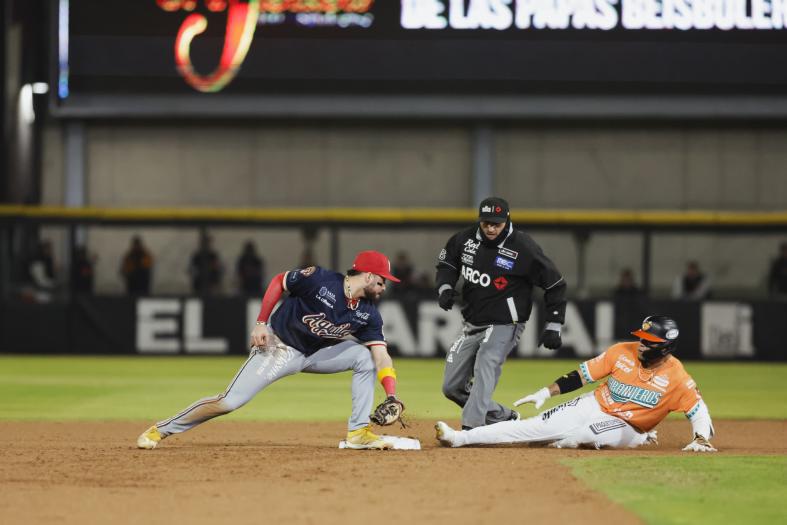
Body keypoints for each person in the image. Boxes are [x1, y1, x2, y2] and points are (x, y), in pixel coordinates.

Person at [137, 250, 406, 451]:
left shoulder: (368, 314)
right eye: (382, 282)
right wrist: (261, 322)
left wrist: (391, 395)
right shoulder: (322, 280)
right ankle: (160, 429)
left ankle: (358, 432)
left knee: (365, 357)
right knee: (229, 402)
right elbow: (280, 281)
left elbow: (381, 354)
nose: (383, 289)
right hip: (280, 347)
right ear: (369, 275)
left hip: (314, 355)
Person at [435, 315, 717, 453]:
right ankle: (460, 438)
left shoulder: (677, 376)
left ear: (665, 348)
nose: (642, 344)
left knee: (583, 436)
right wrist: (546, 392)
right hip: (595, 403)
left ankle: (641, 437)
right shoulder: (623, 351)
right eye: (642, 338)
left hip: (628, 426)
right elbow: (582, 376)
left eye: (650, 342)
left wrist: (700, 438)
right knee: (534, 429)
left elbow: (698, 410)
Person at [435, 197, 567, 430]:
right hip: (472, 323)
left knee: (486, 361)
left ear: (507, 220)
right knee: (451, 387)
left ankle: (471, 428)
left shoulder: (523, 246)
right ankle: (503, 417)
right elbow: (447, 265)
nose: (491, 228)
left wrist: (554, 324)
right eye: (486, 223)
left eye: (497, 223)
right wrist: (445, 287)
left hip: (506, 322)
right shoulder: (463, 239)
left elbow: (555, 283)